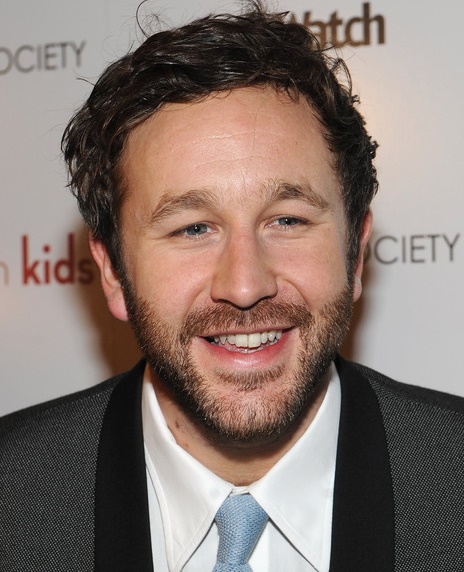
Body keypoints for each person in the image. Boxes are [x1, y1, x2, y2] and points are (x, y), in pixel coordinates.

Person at [2, 4, 464, 571]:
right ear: (113, 272)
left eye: (287, 220)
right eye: (192, 228)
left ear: (356, 251)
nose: (245, 286)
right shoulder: (13, 496)